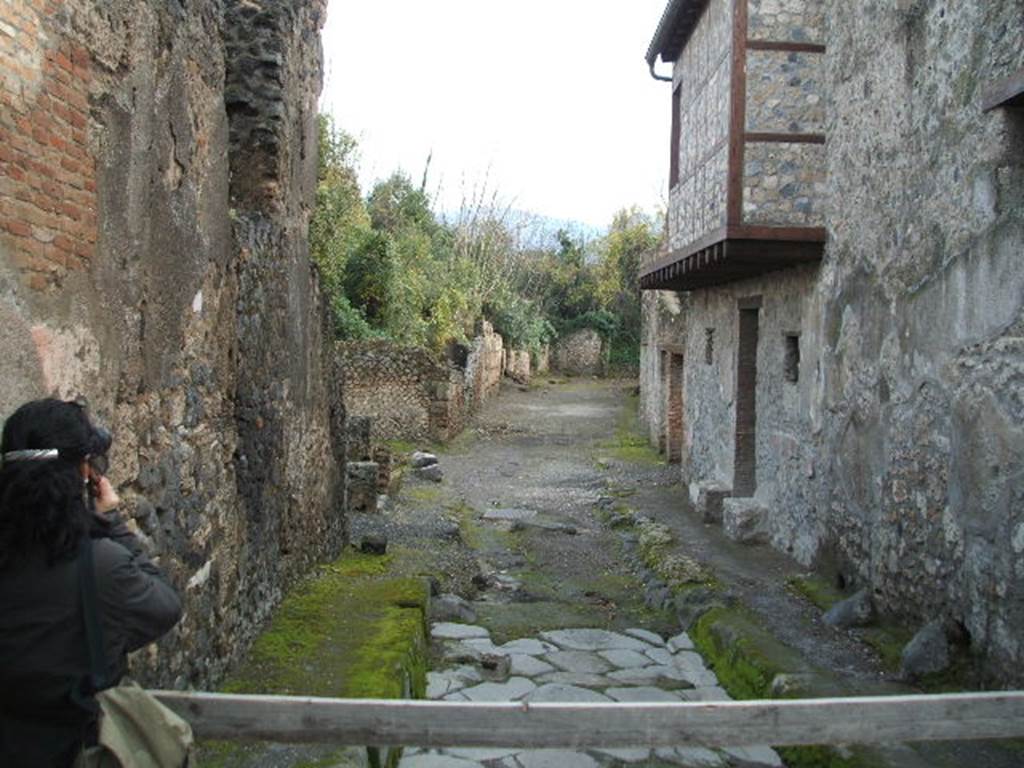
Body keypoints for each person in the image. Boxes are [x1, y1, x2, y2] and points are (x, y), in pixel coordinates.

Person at [0, 399, 183, 767]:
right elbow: (164, 606)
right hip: (74, 751)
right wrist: (111, 522)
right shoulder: (100, 566)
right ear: (83, 471)